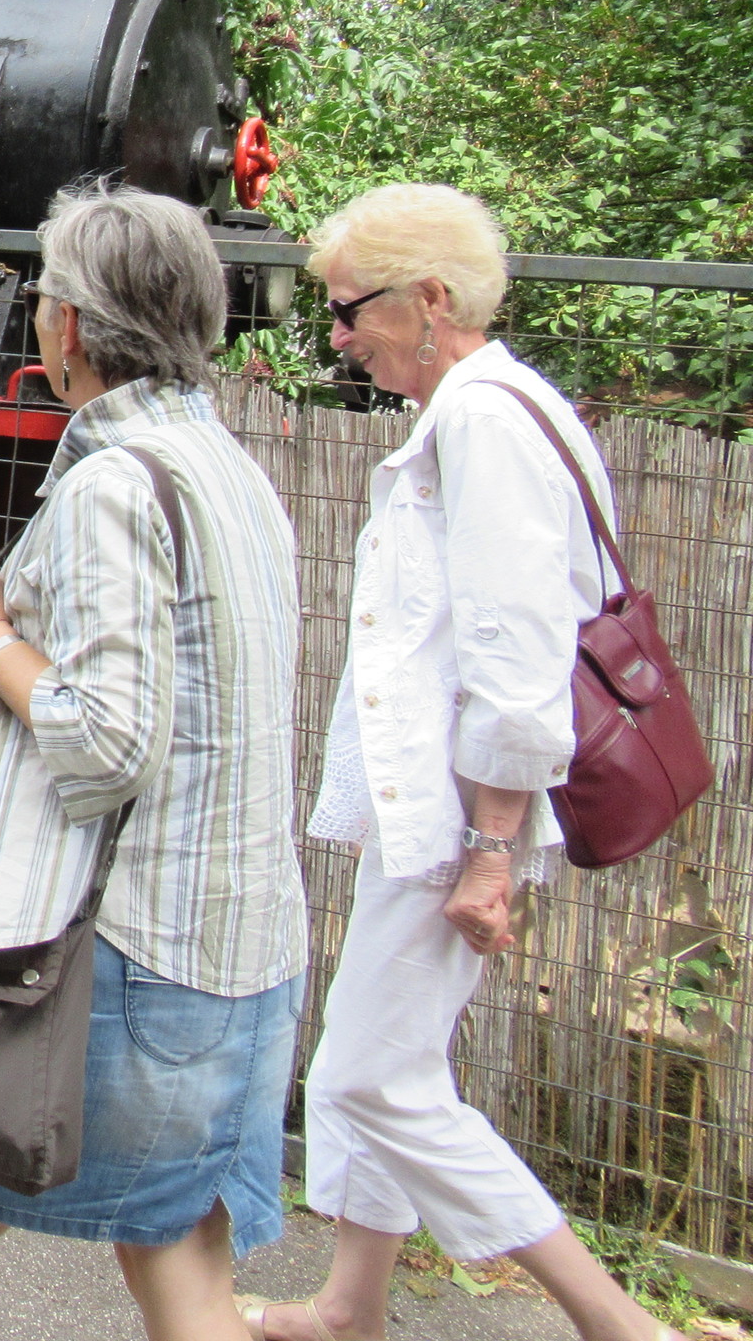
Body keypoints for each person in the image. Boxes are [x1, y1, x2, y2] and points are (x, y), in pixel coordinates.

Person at [0, 182, 306, 1341]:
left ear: (75, 327)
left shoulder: (111, 485)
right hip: (241, 950)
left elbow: (106, 743)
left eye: (45, 297)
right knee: (179, 1252)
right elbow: (173, 680)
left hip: (131, 955)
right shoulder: (222, 468)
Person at [243, 184, 682, 1341]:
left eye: (352, 310)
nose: (340, 336)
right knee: (387, 1053)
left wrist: (490, 849)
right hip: (448, 808)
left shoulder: (485, 421)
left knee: (370, 1076)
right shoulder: (485, 410)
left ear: (430, 298)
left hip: (466, 813)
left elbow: (514, 646)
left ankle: (617, 1322)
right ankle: (351, 1306)